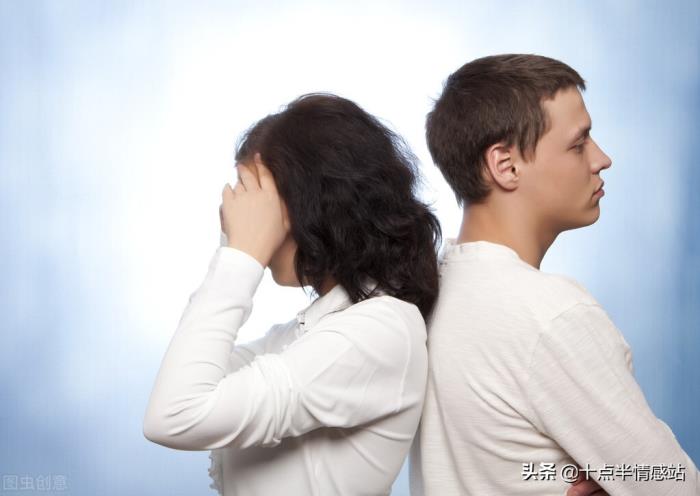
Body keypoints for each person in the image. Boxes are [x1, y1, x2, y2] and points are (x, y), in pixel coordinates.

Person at [410, 54, 699, 496]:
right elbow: (675, 487)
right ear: (506, 165)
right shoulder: (551, 316)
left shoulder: (428, 293)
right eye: (578, 144)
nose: (602, 159)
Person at [143, 93, 441, 496]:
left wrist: (241, 257)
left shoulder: (380, 332)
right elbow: (188, 378)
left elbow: (174, 415)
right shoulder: (304, 335)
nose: (241, 219)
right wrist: (235, 246)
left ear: (315, 202)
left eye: (259, 204)